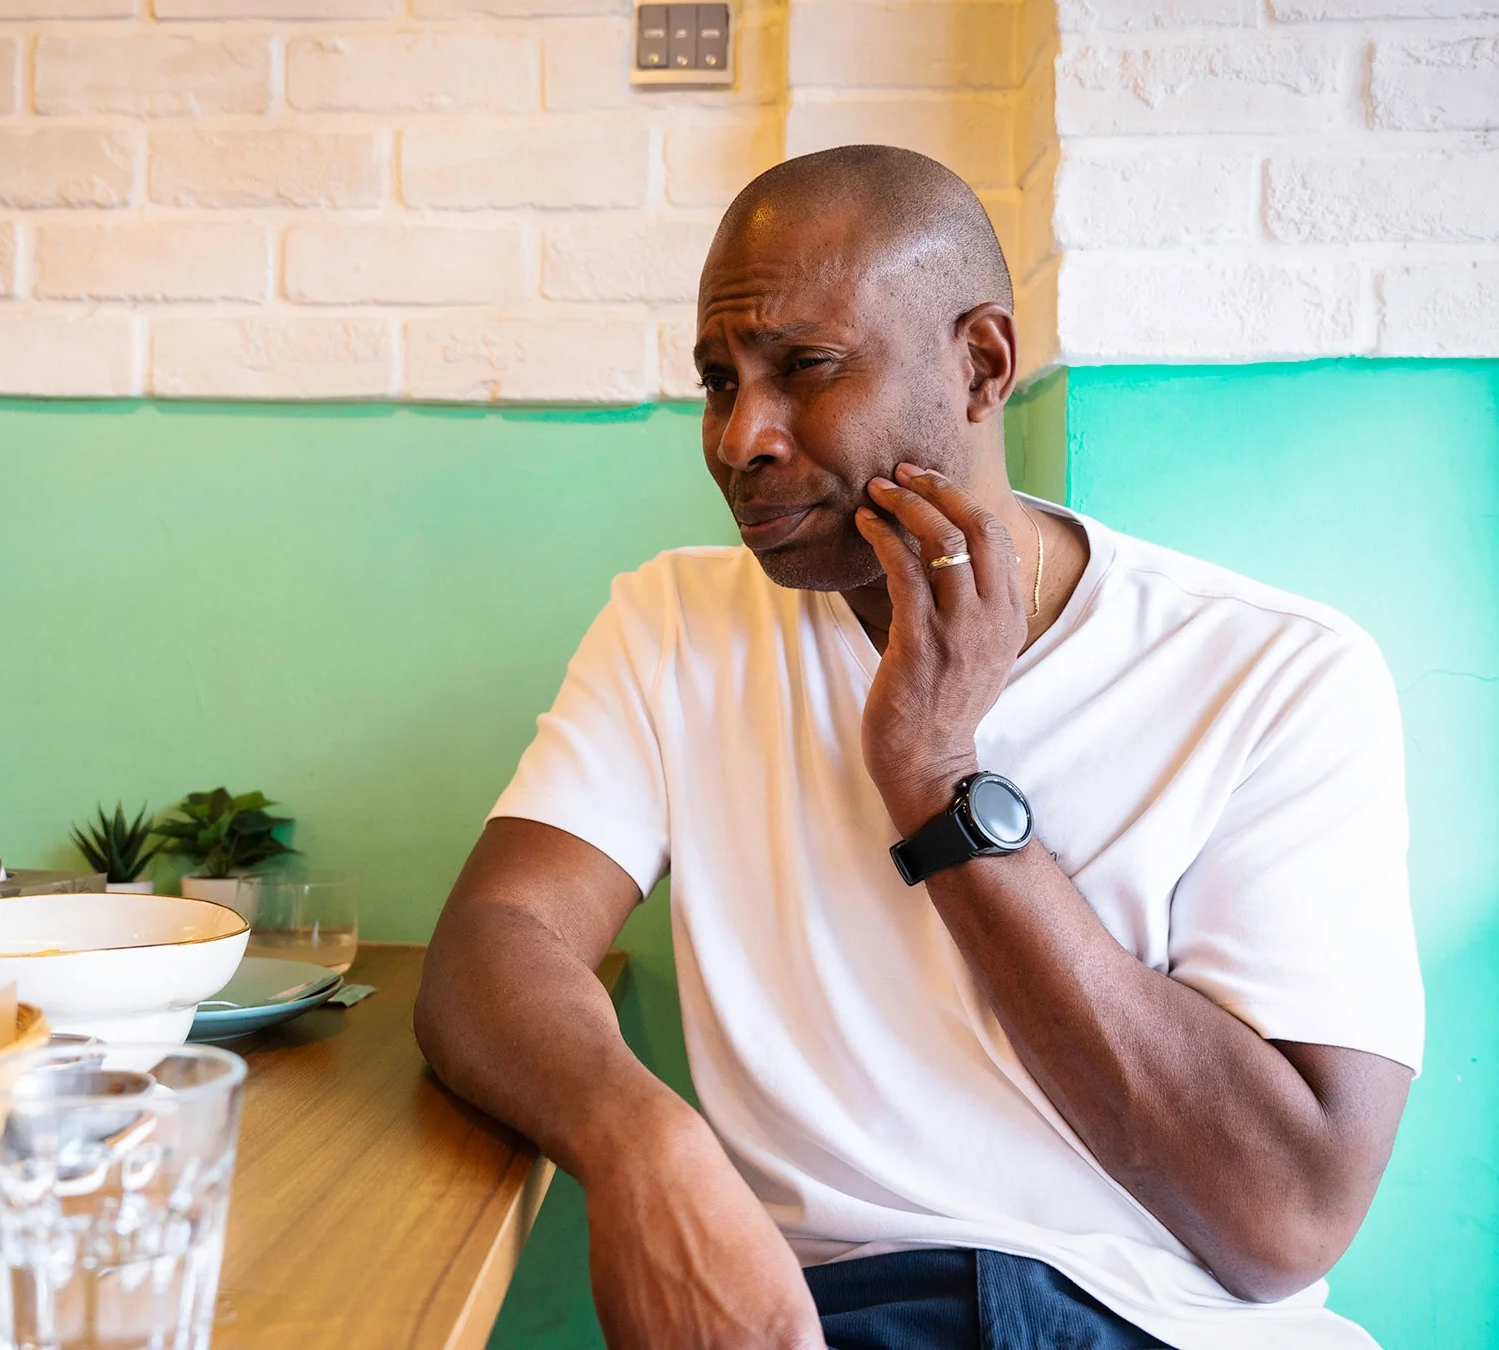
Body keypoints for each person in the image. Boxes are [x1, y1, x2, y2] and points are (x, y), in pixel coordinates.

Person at [413, 144, 1423, 1350]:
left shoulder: (1274, 671)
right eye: (718, 381)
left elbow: (1286, 1220)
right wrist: (647, 1145)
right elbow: (494, 946)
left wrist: (940, 782)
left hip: (1161, 1327)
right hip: (826, 1318)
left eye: (804, 368)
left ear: (982, 365)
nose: (743, 437)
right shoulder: (679, 625)